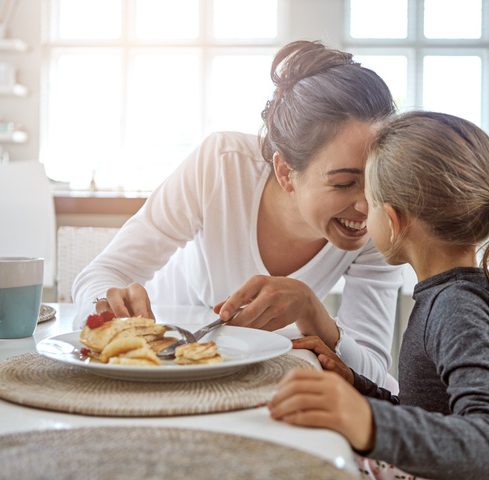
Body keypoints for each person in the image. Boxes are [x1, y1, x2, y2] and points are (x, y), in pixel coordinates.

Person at [72, 40, 403, 385]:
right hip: (165, 357)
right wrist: (103, 311)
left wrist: (310, 309)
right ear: (287, 172)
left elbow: (374, 374)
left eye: (379, 178)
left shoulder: (385, 216)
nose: (368, 205)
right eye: (344, 184)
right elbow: (107, 271)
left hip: (261, 367)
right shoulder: (221, 165)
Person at [268, 111, 489, 479]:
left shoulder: (456, 307)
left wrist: (366, 421)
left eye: (370, 199)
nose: (362, 209)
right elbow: (434, 417)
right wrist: (356, 386)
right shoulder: (449, 296)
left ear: (395, 220)